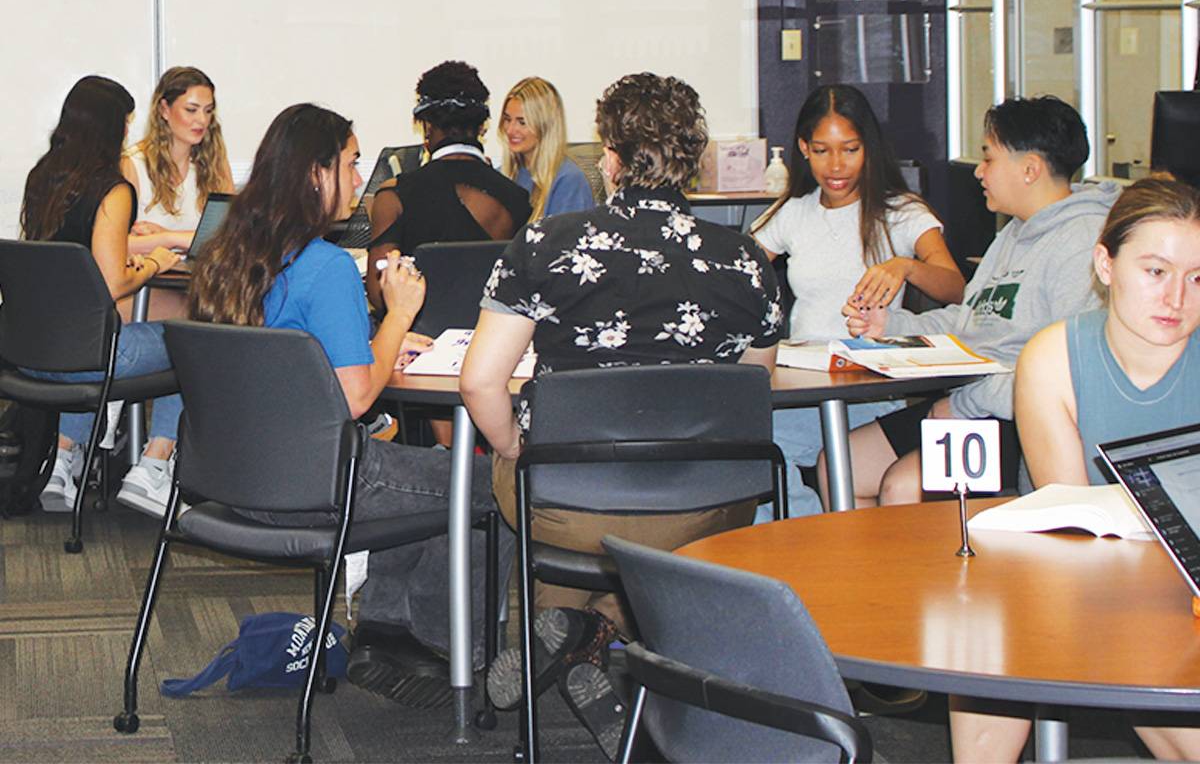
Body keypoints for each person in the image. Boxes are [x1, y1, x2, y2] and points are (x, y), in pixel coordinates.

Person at [460, 72, 783, 758]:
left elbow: (481, 383)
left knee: (522, 474)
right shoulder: (749, 261)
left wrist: (515, 445)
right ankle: (607, 641)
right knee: (626, 521)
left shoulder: (547, 245)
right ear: (691, 163)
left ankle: (568, 632)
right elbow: (753, 397)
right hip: (710, 508)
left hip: (571, 503)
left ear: (609, 157)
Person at [187, 103, 513, 708]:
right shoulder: (328, 266)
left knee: (424, 481)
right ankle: (439, 645)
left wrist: (377, 345)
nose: (361, 178)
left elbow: (293, 363)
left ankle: (387, 635)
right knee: (484, 479)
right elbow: (357, 397)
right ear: (316, 173)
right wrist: (400, 315)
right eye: (351, 162)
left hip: (230, 477)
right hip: (319, 483)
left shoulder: (224, 259)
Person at [949, 176, 1200, 763]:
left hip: (1182, 591)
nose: (1176, 299)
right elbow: (1076, 516)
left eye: (1197, 278)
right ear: (1105, 265)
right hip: (1072, 582)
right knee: (986, 644)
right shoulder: (1054, 358)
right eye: (1155, 272)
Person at [837, 95, 1121, 507]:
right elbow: (968, 321)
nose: (979, 172)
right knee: (840, 465)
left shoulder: (1084, 243)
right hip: (974, 403)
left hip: (1022, 417)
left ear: (1030, 169)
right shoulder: (1011, 234)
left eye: (989, 158)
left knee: (903, 486)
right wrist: (892, 326)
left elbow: (1070, 372)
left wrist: (965, 405)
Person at [751, 84, 964, 519]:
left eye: (850, 149)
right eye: (822, 150)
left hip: (871, 390)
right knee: (750, 450)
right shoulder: (793, 211)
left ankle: (813, 544)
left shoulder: (901, 212)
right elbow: (741, 272)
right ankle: (810, 543)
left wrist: (906, 266)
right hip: (804, 387)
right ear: (803, 149)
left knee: (763, 449)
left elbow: (954, 287)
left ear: (869, 147)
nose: (836, 165)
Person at [19, 75, 182, 516]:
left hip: (32, 353)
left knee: (97, 332)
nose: (128, 133)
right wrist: (154, 264)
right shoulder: (112, 188)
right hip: (89, 358)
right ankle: (153, 465)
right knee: (193, 338)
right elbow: (113, 283)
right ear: (111, 128)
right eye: (125, 124)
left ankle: (61, 463)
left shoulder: (41, 178)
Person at [366, 60, 531, 311]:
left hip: (416, 341)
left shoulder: (393, 197)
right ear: (481, 127)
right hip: (491, 339)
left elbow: (379, 294)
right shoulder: (517, 198)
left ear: (427, 127)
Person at [120, 66, 234, 320]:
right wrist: (181, 240)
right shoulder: (133, 165)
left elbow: (231, 237)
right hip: (145, 293)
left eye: (208, 111)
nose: (202, 121)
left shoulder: (215, 166)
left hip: (201, 288)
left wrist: (166, 236)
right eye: (191, 110)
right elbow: (118, 246)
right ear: (164, 110)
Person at [498, 76, 594, 222]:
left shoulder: (569, 182)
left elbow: (565, 242)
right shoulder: (502, 175)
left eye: (522, 122)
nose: (510, 130)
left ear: (546, 126)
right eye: (507, 119)